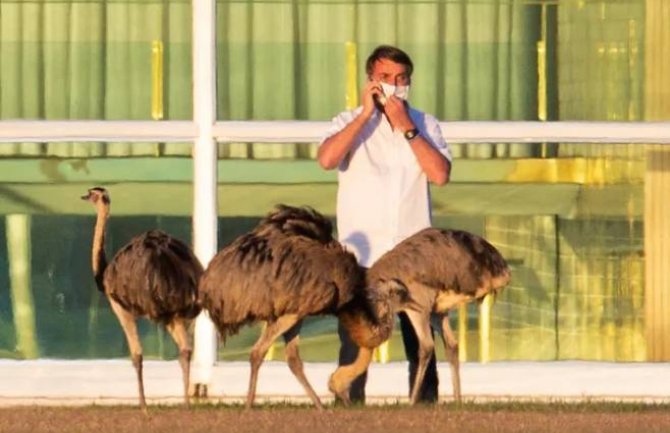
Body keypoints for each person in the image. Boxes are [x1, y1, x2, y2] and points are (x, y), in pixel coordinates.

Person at [317, 45, 452, 403]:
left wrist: (408, 129)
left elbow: (440, 174)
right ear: (370, 80)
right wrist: (365, 116)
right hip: (363, 257)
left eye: (401, 79)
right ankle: (349, 410)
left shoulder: (426, 124)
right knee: (357, 341)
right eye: (385, 78)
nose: (393, 86)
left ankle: (424, 412)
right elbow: (327, 159)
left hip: (413, 258)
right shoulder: (348, 122)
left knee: (421, 341)